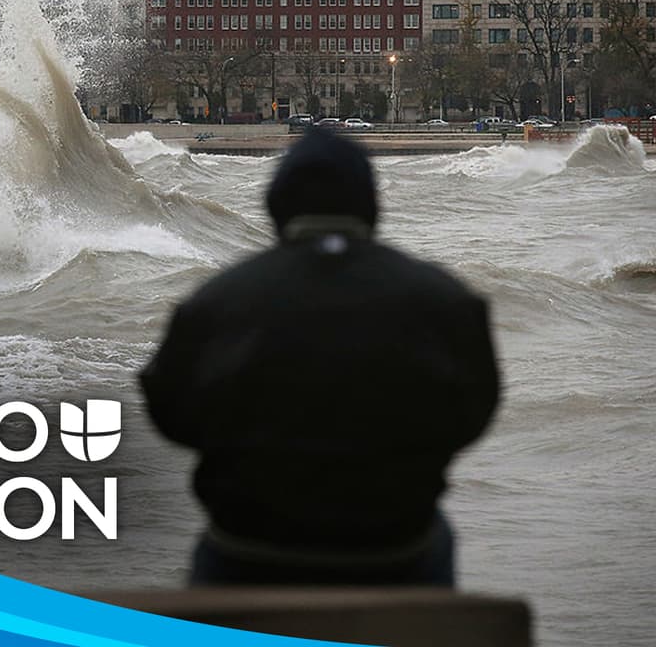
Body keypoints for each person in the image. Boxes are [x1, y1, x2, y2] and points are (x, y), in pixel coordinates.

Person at [139, 127, 500, 587]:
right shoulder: (444, 297)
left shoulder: (218, 299)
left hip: (251, 546)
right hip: (392, 545)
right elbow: (475, 410)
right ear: (370, 204)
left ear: (277, 204)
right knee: (437, 534)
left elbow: (169, 409)